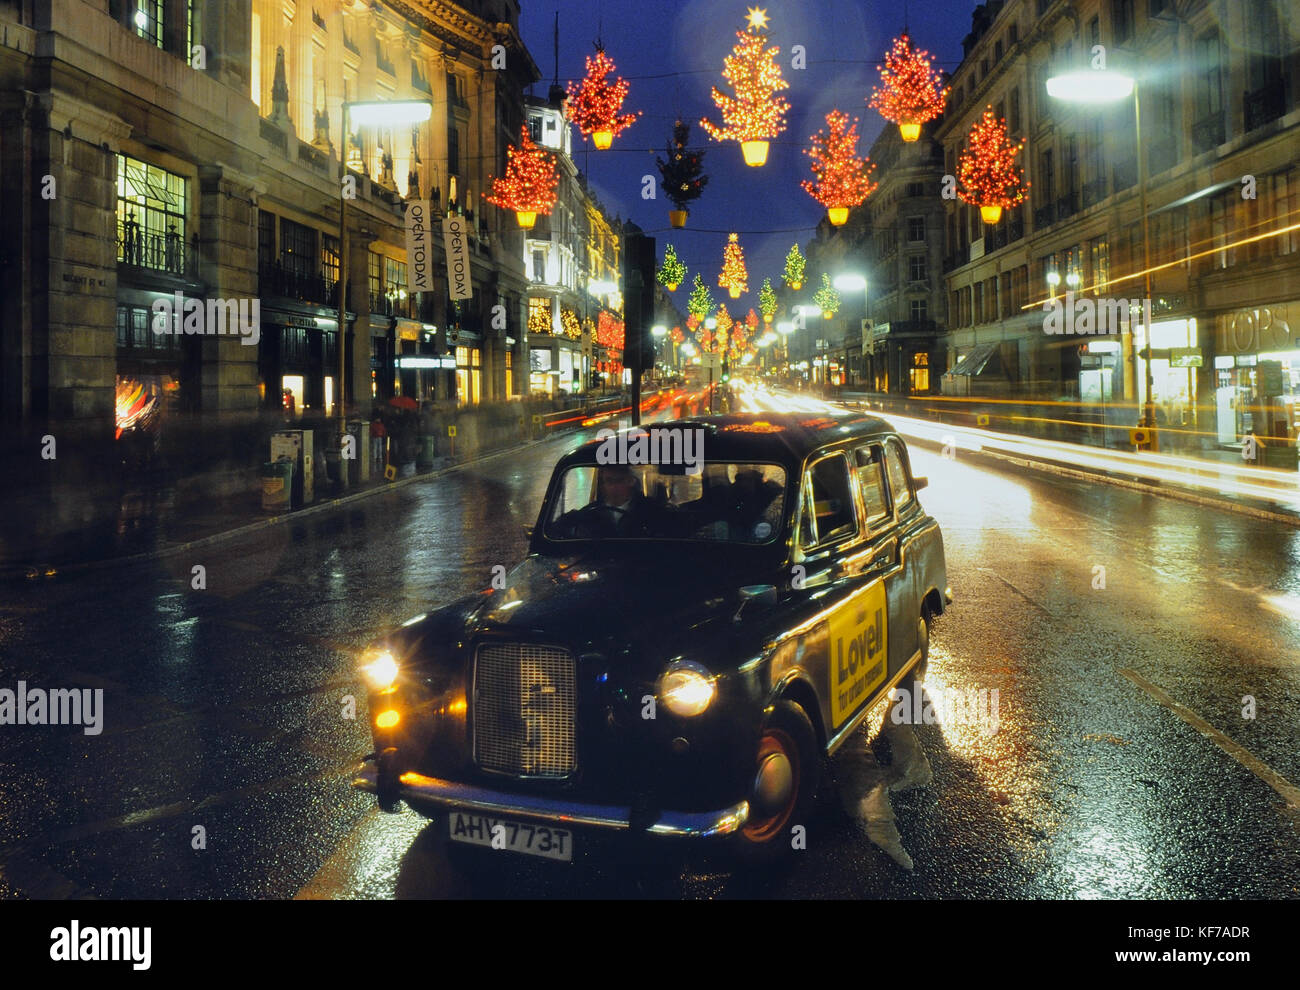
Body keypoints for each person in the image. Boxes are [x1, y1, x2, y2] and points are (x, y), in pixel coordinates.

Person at [553, 465, 651, 539]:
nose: (613, 487)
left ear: (631, 482)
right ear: (603, 484)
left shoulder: (651, 511)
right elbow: (556, 530)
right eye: (609, 481)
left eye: (619, 481)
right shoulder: (588, 514)